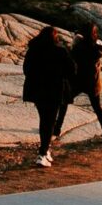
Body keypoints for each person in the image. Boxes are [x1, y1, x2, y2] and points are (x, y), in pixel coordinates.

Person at [22, 23, 75, 166]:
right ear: (55, 38)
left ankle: (45, 150)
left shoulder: (33, 50)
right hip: (54, 90)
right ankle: (42, 154)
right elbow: (72, 70)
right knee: (49, 123)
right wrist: (60, 74)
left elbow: (26, 70)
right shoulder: (60, 51)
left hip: (37, 91)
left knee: (44, 121)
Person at [56, 26, 102, 147]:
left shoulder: (78, 47)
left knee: (64, 102)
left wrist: (75, 41)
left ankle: (57, 128)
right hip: (93, 82)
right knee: (97, 107)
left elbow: (71, 59)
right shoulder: (98, 49)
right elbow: (100, 45)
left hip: (78, 81)